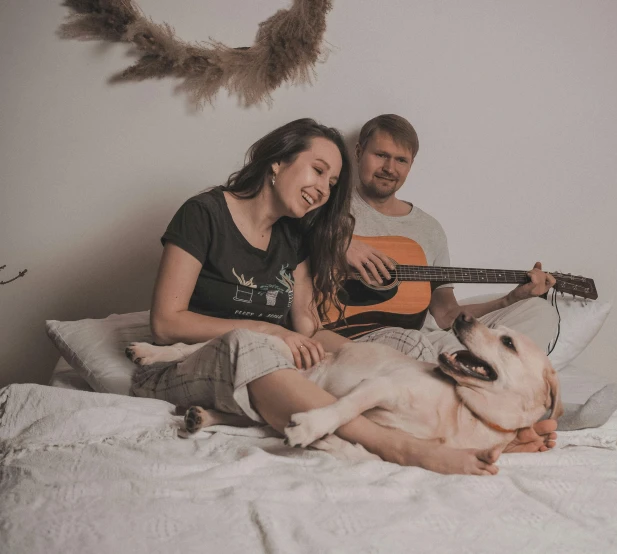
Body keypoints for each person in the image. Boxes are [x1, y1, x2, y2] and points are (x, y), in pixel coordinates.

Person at [130, 118, 523, 475]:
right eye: (318, 171)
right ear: (277, 162)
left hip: (267, 364)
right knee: (250, 343)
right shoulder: (204, 214)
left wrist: (381, 360)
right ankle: (402, 448)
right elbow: (165, 323)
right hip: (180, 365)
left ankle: (486, 426)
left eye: (332, 183)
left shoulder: (294, 235)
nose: (322, 189)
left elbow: (307, 327)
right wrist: (268, 330)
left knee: (408, 342)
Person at [345, 114, 560, 446]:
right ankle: (521, 423)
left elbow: (446, 315)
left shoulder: (428, 230)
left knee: (538, 311)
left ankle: (522, 406)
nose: (390, 167)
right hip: (366, 338)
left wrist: (511, 299)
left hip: (427, 339)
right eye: (380, 155)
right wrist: (342, 245)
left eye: (401, 160)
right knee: (420, 349)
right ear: (359, 152)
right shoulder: (330, 209)